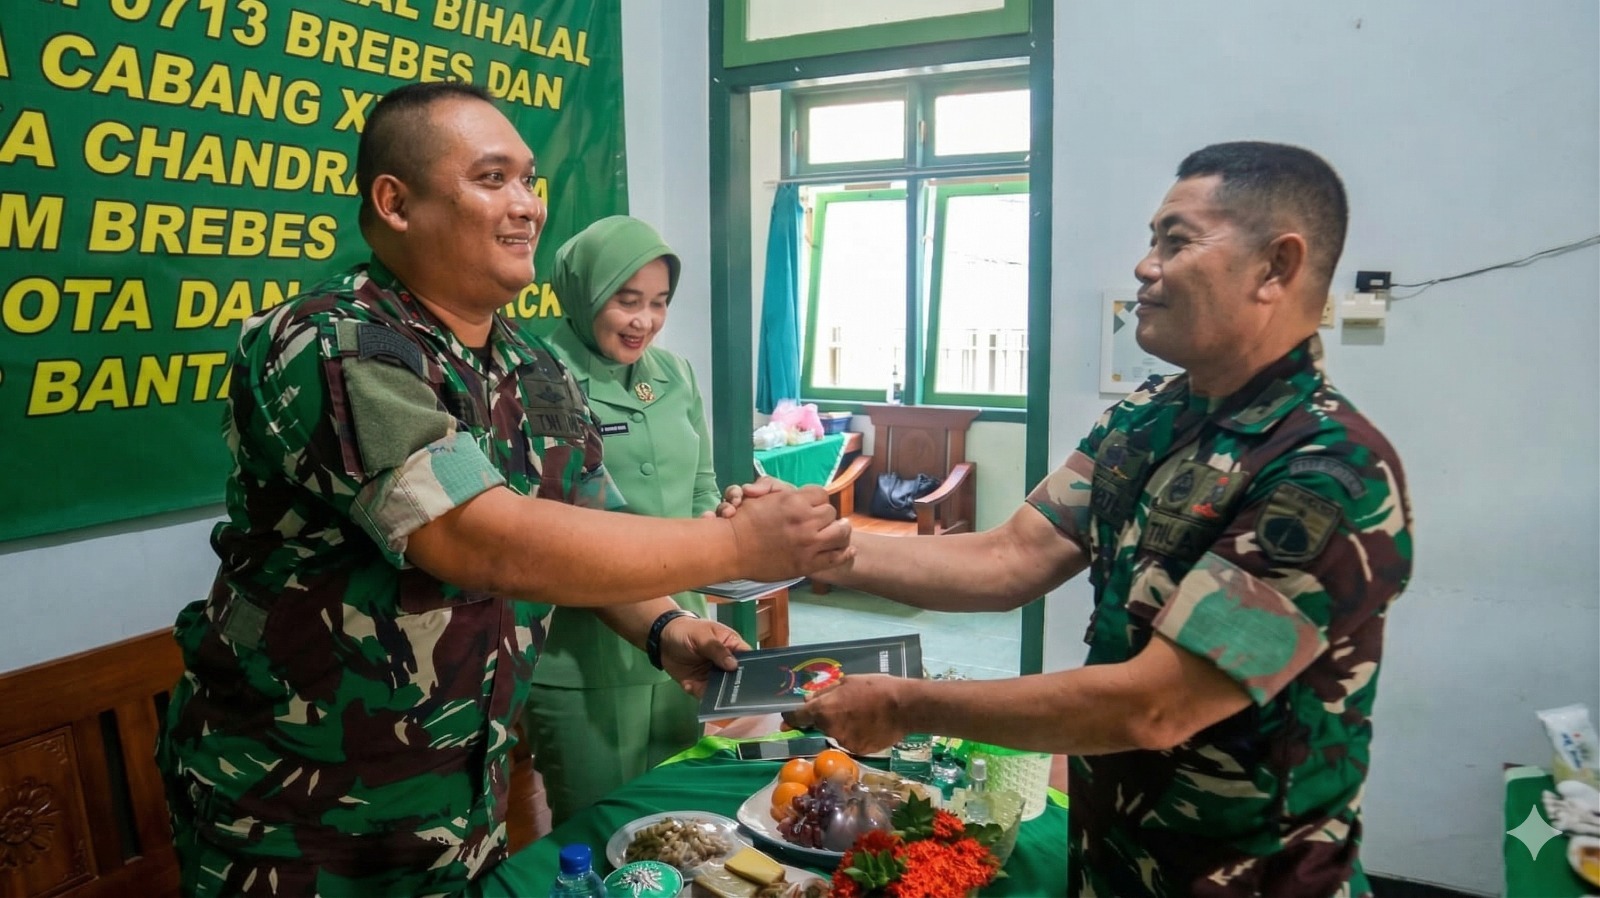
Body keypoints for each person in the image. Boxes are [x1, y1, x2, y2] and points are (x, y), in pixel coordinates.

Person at [156, 81, 851, 898]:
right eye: (493, 179)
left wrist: (664, 625)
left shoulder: (533, 366)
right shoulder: (333, 341)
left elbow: (583, 525)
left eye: (529, 180)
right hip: (296, 810)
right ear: (396, 202)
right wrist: (739, 544)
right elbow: (477, 536)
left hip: (458, 798)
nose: (526, 206)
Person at [765, 142, 1415, 898]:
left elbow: (1157, 702)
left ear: (1276, 266)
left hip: (1251, 879)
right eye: (1151, 240)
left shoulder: (1327, 472)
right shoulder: (1147, 418)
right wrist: (826, 550)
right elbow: (1011, 557)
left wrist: (907, 704)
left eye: (1176, 241)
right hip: (1114, 857)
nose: (1145, 265)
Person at [524, 215, 720, 825]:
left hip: (685, 635)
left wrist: (726, 537)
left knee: (682, 830)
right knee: (603, 830)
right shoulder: (537, 378)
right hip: (587, 655)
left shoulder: (675, 374)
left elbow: (701, 483)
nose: (645, 321)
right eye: (626, 301)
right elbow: (559, 526)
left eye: (659, 303)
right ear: (584, 293)